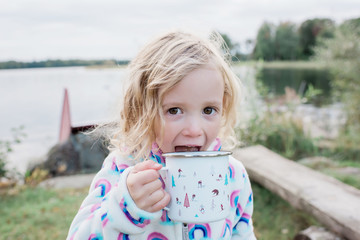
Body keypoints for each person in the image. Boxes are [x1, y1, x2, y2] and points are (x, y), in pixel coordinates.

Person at [67, 30, 256, 240]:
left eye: (208, 110)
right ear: (141, 111)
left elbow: (243, 233)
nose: (194, 130)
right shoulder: (122, 171)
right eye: (174, 110)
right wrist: (124, 208)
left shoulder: (233, 176)